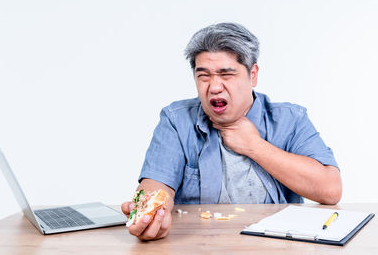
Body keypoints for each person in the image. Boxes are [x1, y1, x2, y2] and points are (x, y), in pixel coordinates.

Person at [121, 22, 342, 241]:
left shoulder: (290, 119)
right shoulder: (177, 120)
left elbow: (330, 190)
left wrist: (254, 145)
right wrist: (150, 212)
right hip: (198, 244)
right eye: (204, 76)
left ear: (252, 75)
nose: (214, 86)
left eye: (226, 74)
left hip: (273, 246)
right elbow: (157, 183)